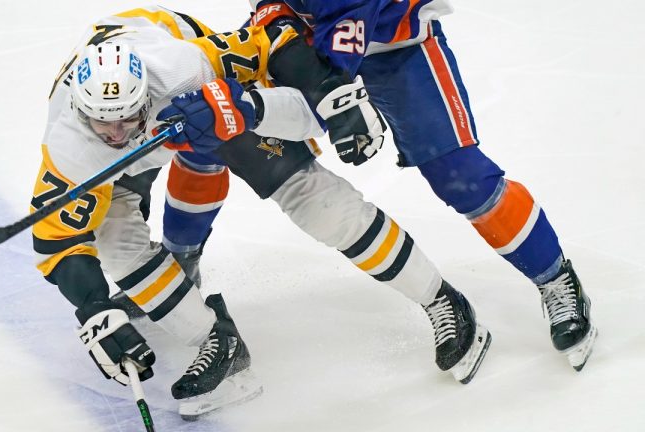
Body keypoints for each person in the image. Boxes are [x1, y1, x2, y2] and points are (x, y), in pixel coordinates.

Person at [32, 5, 492, 421]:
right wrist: (93, 308)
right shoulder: (72, 143)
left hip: (199, 98)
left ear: (145, 99)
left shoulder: (183, 70)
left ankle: (441, 298)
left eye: (125, 120)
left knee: (317, 201)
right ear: (79, 109)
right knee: (111, 236)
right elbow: (58, 242)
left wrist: (279, 103)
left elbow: (275, 49)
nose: (115, 136)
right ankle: (217, 344)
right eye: (102, 123)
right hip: (138, 107)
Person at [175, 0, 597, 370]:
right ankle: (439, 300)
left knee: (462, 178)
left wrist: (333, 97)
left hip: (399, 49)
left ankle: (554, 277)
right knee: (217, 129)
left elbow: (346, 17)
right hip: (308, 54)